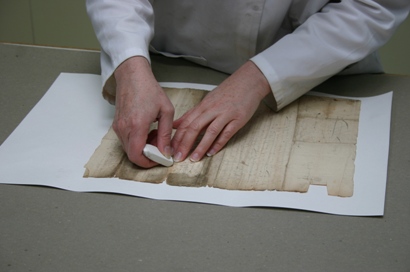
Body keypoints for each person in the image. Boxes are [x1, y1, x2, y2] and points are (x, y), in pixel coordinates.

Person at [86, 0, 409, 168]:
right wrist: (129, 65)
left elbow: (373, 6)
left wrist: (258, 78)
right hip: (177, 58)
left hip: (321, 69)